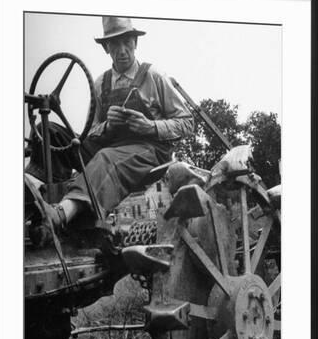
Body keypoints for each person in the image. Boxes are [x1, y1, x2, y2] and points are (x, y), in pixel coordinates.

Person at [28, 16, 194, 230]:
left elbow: (187, 123)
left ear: (136, 43)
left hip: (149, 153)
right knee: (48, 131)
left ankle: (61, 214)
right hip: (109, 147)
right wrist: (107, 126)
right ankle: (33, 192)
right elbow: (90, 133)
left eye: (127, 42)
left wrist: (150, 126)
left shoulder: (154, 77)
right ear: (106, 47)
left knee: (105, 157)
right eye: (115, 44)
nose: (122, 50)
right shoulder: (100, 84)